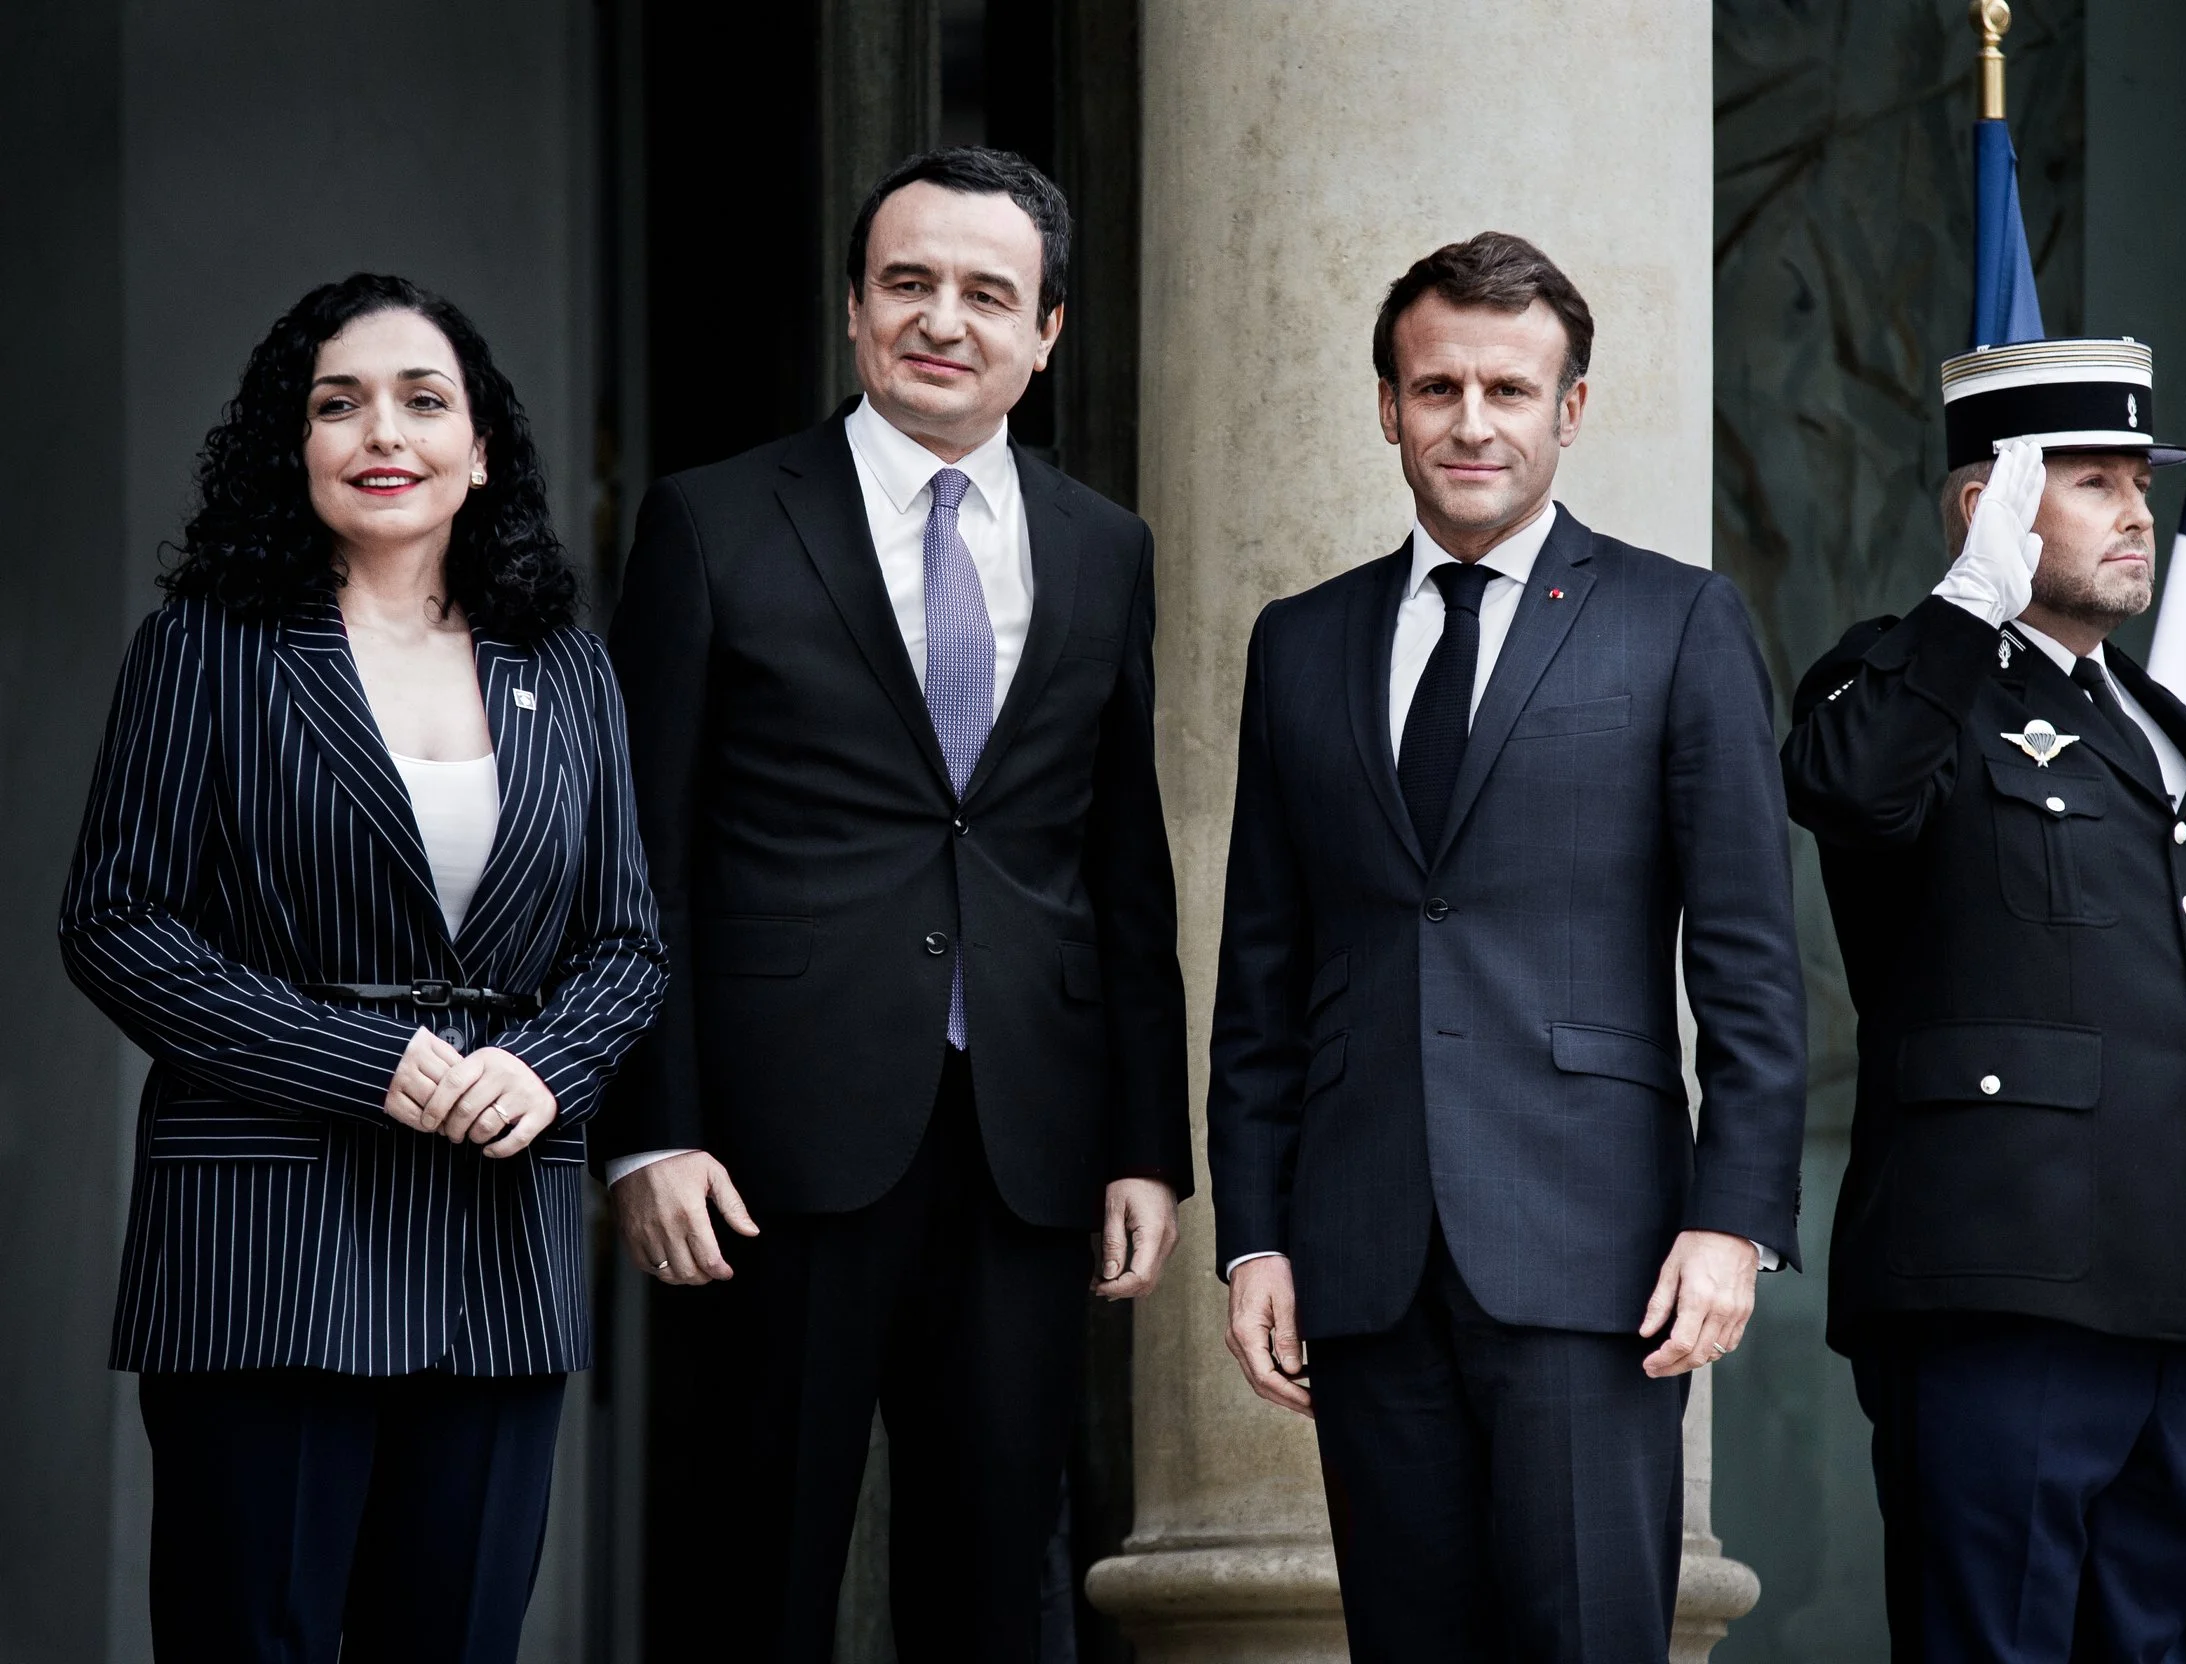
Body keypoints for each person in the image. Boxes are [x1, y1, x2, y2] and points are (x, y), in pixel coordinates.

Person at [600, 145, 1191, 1660]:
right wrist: (651, 1128)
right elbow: (638, 852)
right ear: (854, 308)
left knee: (994, 1588)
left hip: (1027, 1141)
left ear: (1047, 332)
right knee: (755, 1573)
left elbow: (1122, 860)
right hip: (766, 1146)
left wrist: (1147, 1142)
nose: (942, 319)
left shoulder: (1104, 546)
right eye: (908, 283)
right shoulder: (712, 521)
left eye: (987, 294)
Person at [1204, 232, 1809, 1663]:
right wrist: (1257, 1235)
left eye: (1510, 390)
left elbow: (1748, 962)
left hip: (1598, 1254)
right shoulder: (1300, 643)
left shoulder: (1678, 620)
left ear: (1570, 409)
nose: (1472, 422)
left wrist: (1732, 1221)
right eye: (1438, 388)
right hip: (1364, 1254)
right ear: (1388, 405)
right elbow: (1262, 976)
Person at [58, 273, 668, 1662]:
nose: (383, 431)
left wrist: (546, 1067)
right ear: (296, 447)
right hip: (264, 1234)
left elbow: (627, 942)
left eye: (422, 401)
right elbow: (116, 921)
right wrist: (365, 1059)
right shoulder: (205, 650)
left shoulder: (568, 668)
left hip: (497, 1235)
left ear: (480, 450)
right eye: (339, 404)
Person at [1781, 338, 2186, 1664]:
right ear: (1983, 504)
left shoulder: (2168, 730)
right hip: (1998, 1290)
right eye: (2092, 482)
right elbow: (1849, 787)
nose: (2135, 511)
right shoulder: (1904, 682)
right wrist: (1965, 605)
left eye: (2140, 482)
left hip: (2172, 1295)